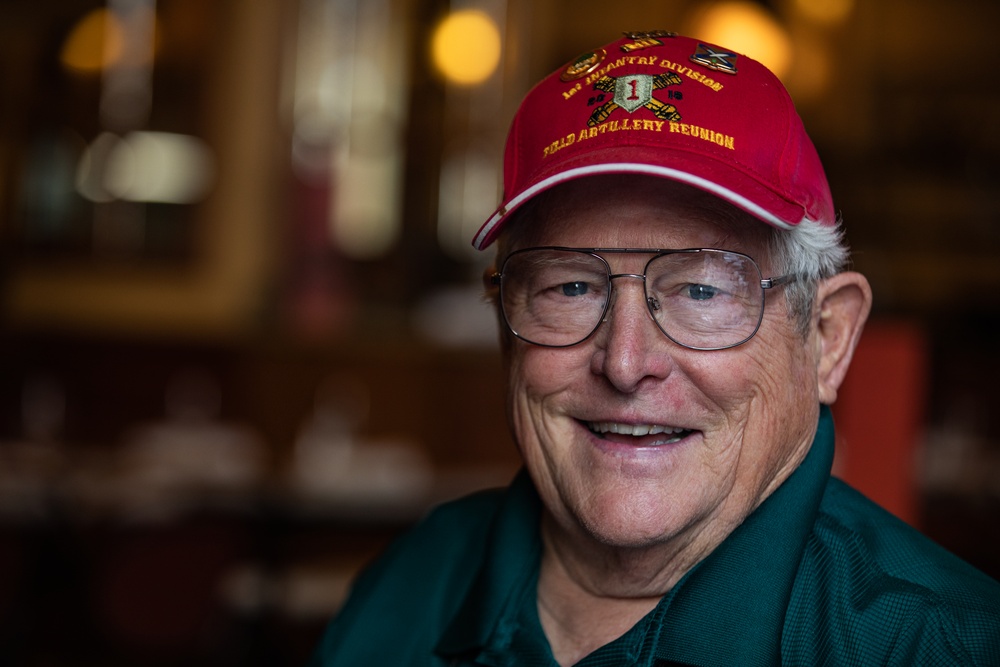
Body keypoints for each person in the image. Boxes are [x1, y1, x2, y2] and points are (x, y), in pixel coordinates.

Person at [309, 31, 1000, 666]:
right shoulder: (408, 585)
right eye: (571, 285)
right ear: (503, 322)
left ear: (826, 337)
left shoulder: (941, 643)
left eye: (701, 291)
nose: (626, 360)